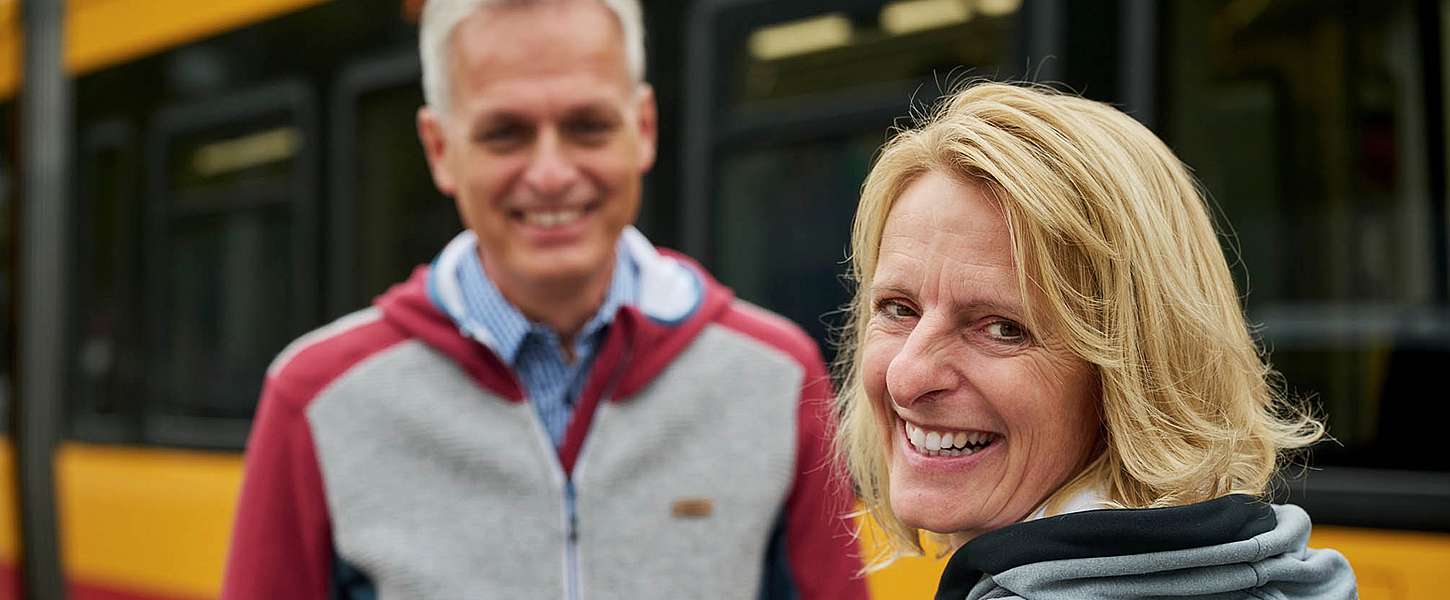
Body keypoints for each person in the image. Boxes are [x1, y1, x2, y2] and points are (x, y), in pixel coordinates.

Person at [220, 0, 867, 597]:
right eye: (505, 133)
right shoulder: (316, 399)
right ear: (440, 149)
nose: (552, 173)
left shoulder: (776, 379)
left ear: (642, 129)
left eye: (587, 126)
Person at [833, 82, 1358, 599]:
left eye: (1002, 328)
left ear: (1138, 370)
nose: (906, 376)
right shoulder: (1283, 572)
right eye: (898, 309)